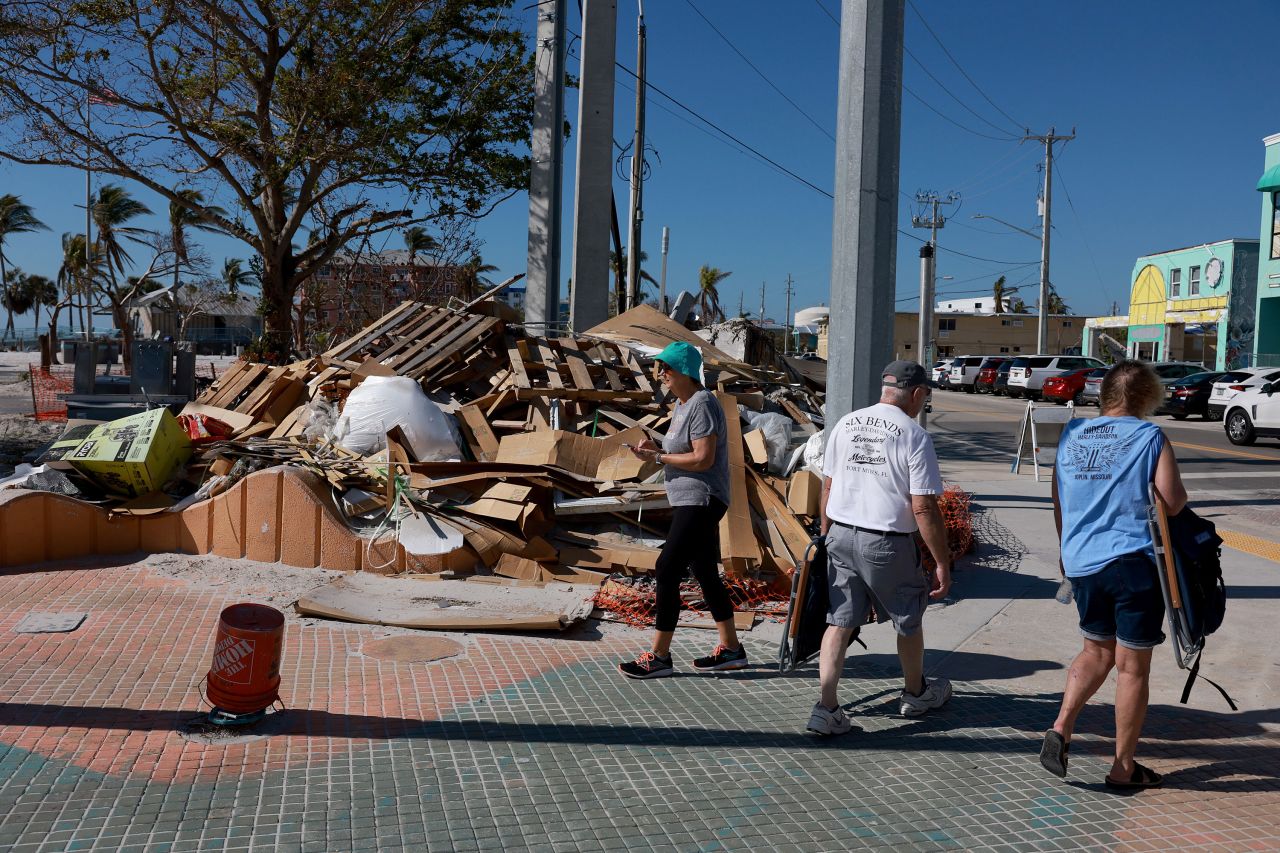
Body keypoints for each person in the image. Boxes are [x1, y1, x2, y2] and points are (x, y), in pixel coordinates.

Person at [1039, 360, 1187, 790]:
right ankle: (1123, 768)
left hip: (1082, 562)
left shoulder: (1072, 435)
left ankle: (1062, 726)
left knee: (1095, 652)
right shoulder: (1148, 436)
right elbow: (1173, 502)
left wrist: (1068, 553)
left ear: (1104, 395)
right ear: (1147, 397)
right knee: (1132, 667)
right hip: (1131, 563)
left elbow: (1059, 501)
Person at [807, 360, 954, 735]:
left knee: (839, 621)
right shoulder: (913, 435)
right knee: (908, 619)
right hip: (886, 542)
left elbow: (828, 486)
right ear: (917, 393)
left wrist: (827, 537)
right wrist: (941, 561)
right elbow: (922, 506)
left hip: (841, 533)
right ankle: (915, 692)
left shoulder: (846, 423)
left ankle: (826, 708)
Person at [617, 341, 747, 679]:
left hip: (701, 498)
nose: (661, 374)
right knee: (703, 570)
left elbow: (703, 459)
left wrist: (658, 458)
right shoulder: (683, 405)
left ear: (685, 371)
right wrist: (655, 449)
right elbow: (683, 451)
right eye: (660, 368)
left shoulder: (703, 403)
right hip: (689, 498)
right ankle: (732, 649)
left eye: (667, 368)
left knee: (667, 566)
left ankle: (659, 656)